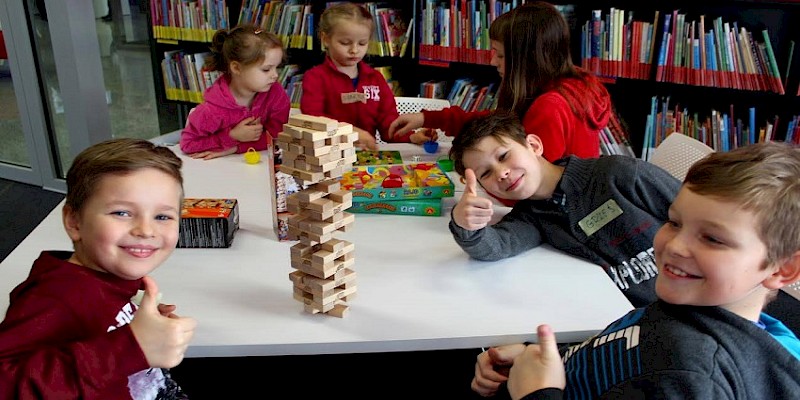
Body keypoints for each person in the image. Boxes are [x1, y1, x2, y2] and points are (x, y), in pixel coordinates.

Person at [474, 141, 800, 399]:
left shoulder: (692, 379)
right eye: (674, 222)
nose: (673, 246)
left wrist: (538, 394)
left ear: (782, 270)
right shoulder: (689, 306)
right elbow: (627, 349)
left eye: (713, 239)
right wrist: (547, 357)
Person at [0, 138, 197, 399]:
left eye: (162, 217)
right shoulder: (55, 297)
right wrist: (129, 347)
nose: (146, 230)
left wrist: (135, 322)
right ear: (74, 221)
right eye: (122, 213)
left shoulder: (107, 277)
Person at [450, 110, 680, 307]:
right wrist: (465, 224)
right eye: (486, 174)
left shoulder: (621, 174)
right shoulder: (531, 216)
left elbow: (697, 214)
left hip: (691, 306)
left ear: (534, 145)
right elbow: (496, 247)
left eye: (504, 156)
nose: (501, 173)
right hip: (622, 318)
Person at [387, 1, 612, 162]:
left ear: (529, 60)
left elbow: (528, 187)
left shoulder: (550, 107)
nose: (493, 61)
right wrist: (429, 117)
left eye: (501, 55)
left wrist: (477, 175)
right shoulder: (565, 85)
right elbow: (498, 120)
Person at [300, 2, 435, 150]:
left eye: (362, 43)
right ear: (325, 39)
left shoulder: (375, 78)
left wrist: (411, 136)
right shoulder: (315, 78)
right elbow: (313, 122)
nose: (354, 50)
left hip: (364, 158)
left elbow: (388, 124)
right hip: (328, 156)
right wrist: (350, 133)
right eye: (345, 43)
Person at [180, 24, 290, 160]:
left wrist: (235, 148)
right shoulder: (211, 111)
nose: (275, 75)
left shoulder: (276, 93)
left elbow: (277, 135)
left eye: (277, 67)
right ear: (236, 68)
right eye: (266, 69)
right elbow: (188, 144)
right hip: (221, 171)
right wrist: (231, 136)